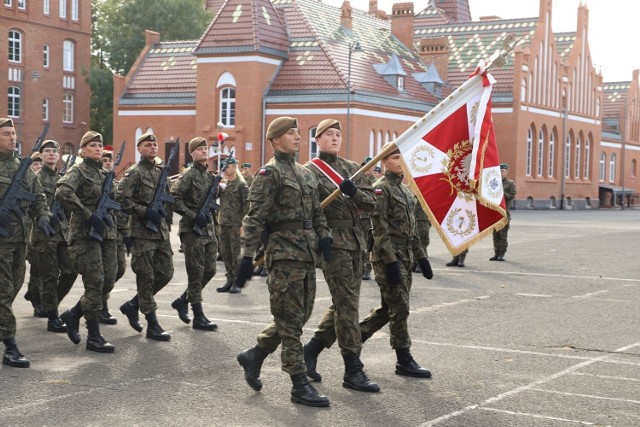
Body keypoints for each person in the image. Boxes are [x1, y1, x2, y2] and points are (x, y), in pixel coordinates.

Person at [235, 117, 332, 407]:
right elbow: (254, 218)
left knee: (298, 317)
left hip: (306, 255)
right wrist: (247, 256)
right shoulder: (269, 174)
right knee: (291, 324)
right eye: (291, 133)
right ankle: (299, 385)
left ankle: (254, 355)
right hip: (283, 255)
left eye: (299, 133)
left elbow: (317, 212)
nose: (298, 137)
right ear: (275, 140)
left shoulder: (305, 173)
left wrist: (324, 236)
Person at [302, 119, 380, 393]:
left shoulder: (352, 168)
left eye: (338, 134)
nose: (335, 138)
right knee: (347, 306)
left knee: (343, 303)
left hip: (357, 243)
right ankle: (353, 369)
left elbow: (372, 203)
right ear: (317, 140)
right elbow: (307, 210)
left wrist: (354, 192)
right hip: (332, 245)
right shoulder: (308, 172)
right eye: (328, 135)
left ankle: (310, 351)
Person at [358, 145, 433, 378]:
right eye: (395, 157)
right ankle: (404, 359)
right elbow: (378, 229)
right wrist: (390, 261)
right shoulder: (381, 189)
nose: (401, 161)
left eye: (403, 157)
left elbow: (412, 231)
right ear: (385, 162)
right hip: (387, 256)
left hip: (406, 256)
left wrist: (422, 257)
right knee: (400, 307)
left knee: (387, 309)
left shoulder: (406, 191)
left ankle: (351, 341)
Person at [56, 131, 117, 353]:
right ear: (83, 150)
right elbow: (62, 192)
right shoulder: (78, 171)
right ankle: (94, 336)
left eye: (100, 145)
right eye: (92, 145)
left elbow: (116, 200)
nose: (98, 148)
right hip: (84, 235)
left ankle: (73, 314)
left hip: (106, 235)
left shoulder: (104, 173)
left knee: (109, 280)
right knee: (96, 282)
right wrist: (88, 214)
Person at [0, 118, 51, 367]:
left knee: (14, 289)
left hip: (21, 240)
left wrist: (42, 216)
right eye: (6, 134)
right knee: (4, 292)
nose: (12, 137)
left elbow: (38, 196)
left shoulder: (24, 167)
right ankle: (10, 346)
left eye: (13, 133)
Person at [117, 132, 173, 341]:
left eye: (155, 144)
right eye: (147, 145)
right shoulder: (134, 173)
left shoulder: (161, 173)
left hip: (160, 233)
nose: (153, 147)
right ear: (139, 149)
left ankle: (132, 305)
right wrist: (144, 211)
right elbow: (121, 200)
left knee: (165, 273)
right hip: (142, 234)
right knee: (146, 277)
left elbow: (168, 199)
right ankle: (152, 324)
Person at [170, 137, 218, 331]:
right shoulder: (188, 175)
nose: (203, 151)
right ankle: (198, 316)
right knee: (196, 273)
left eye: (205, 148)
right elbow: (173, 199)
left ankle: (182, 300)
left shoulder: (210, 176)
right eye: (199, 149)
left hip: (208, 230)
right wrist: (192, 215)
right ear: (192, 153)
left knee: (210, 270)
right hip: (192, 230)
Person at [31, 140, 77, 333]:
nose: (51, 154)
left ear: (58, 156)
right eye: (47, 151)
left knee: (70, 271)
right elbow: (30, 205)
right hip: (44, 234)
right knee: (49, 277)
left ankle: (50, 304)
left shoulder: (62, 179)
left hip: (62, 233)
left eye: (54, 151)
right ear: (41, 156)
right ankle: (52, 317)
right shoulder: (34, 178)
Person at [98, 146, 128, 325]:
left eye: (109, 160)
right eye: (104, 160)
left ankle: (99, 299)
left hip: (116, 233)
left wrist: (126, 233)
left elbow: (121, 210)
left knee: (119, 269)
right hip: (101, 233)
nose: (108, 163)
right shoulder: (97, 182)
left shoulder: (115, 184)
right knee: (105, 272)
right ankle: (101, 306)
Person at [216, 158, 249, 293]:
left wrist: (242, 224)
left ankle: (237, 282)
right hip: (223, 223)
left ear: (234, 167)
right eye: (224, 168)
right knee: (225, 253)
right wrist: (216, 182)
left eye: (228, 167)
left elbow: (247, 206)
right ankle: (229, 280)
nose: (225, 170)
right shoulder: (223, 185)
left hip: (236, 224)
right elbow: (213, 196)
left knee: (236, 253)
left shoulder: (241, 184)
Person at [24, 152, 46, 318]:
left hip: (40, 229)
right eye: (35, 164)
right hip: (24, 229)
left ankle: (34, 295)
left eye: (40, 164)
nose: (38, 167)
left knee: (39, 267)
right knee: (36, 267)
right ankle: (35, 296)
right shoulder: (26, 179)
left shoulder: (42, 180)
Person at [490, 163, 516, 261]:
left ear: (506, 172)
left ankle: (502, 254)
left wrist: (501, 191)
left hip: (504, 214)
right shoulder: (494, 182)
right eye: (499, 171)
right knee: (495, 235)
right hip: (495, 214)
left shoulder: (510, 184)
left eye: (502, 171)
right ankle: (496, 253)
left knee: (502, 235)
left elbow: (511, 196)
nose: (501, 173)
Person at [360, 157, 375, 281]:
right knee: (359, 244)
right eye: (365, 166)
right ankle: (360, 267)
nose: (367, 169)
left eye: (369, 166)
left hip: (370, 219)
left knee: (369, 245)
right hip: (359, 218)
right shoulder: (359, 181)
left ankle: (367, 268)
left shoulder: (376, 182)